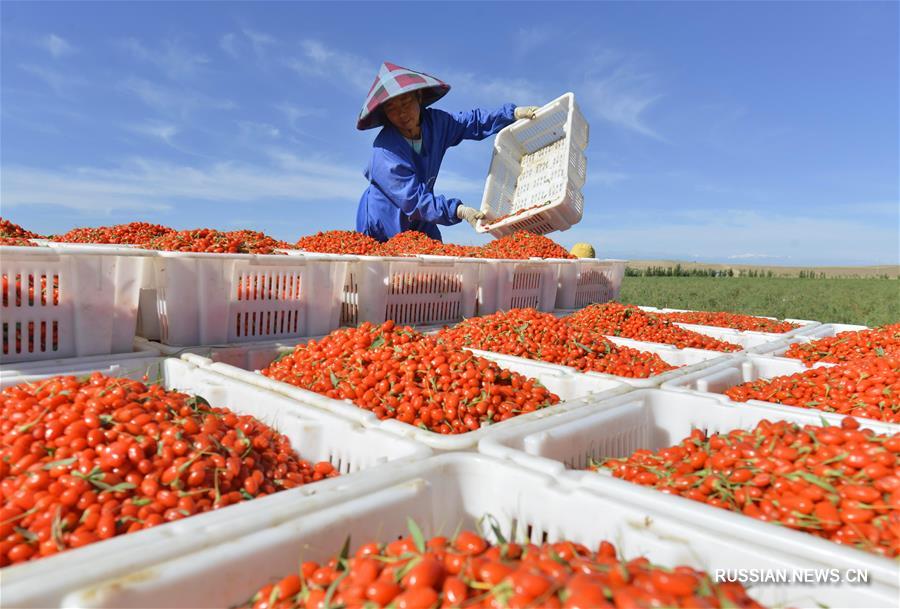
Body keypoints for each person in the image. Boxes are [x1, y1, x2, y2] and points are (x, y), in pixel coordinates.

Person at [355, 61, 540, 243]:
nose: (402, 114)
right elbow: (414, 200)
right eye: (392, 109)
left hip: (420, 217)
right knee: (392, 266)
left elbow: (471, 122)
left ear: (418, 96)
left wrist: (511, 114)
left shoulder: (436, 124)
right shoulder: (385, 151)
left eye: (405, 103)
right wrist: (457, 210)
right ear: (385, 114)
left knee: (435, 261)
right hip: (384, 221)